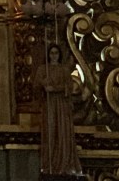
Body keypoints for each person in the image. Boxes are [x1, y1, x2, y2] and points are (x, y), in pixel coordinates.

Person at [33, 43, 82, 175]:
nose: (54, 56)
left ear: (59, 55)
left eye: (56, 53)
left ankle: (64, 163)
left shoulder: (64, 69)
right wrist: (43, 86)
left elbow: (69, 87)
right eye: (52, 53)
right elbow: (36, 86)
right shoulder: (43, 69)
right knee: (50, 131)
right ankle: (49, 164)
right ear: (48, 55)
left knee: (62, 132)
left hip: (61, 105)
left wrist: (55, 88)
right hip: (49, 104)